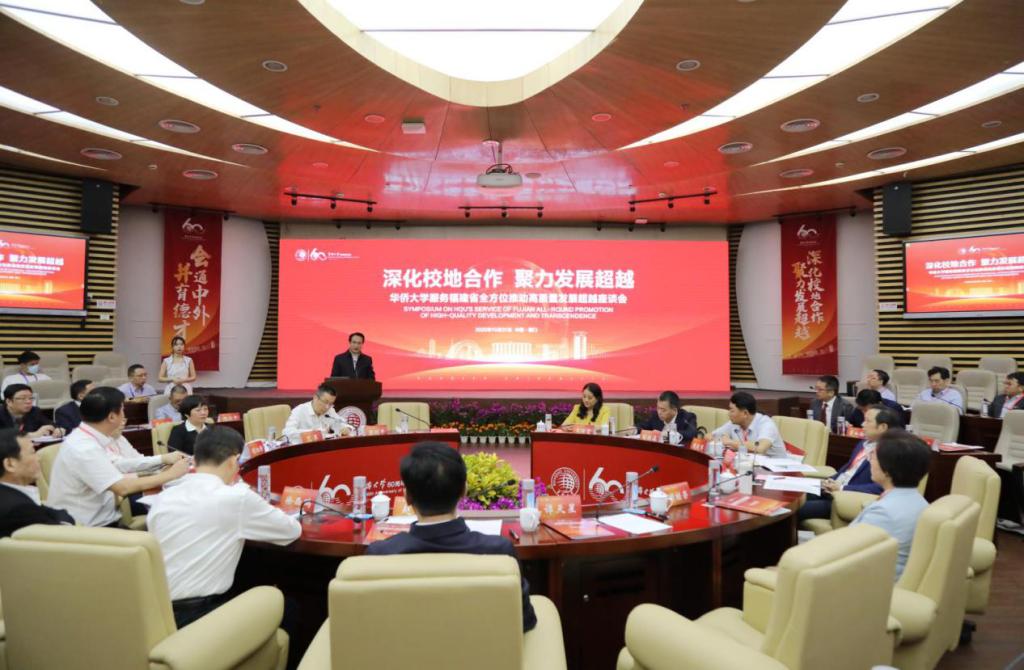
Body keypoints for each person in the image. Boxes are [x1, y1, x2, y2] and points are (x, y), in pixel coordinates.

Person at [365, 441, 537, 631]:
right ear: (464, 490)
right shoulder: (499, 551)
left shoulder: (380, 554)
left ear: (407, 497)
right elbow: (524, 621)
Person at [148, 426, 301, 628]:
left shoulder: (163, 498)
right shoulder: (237, 497)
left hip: (156, 612)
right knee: (289, 607)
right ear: (233, 461)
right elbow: (291, 531)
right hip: (199, 616)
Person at [47, 387, 189, 527]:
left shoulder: (89, 437)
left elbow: (118, 464)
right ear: (112, 417)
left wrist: (161, 462)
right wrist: (171, 474)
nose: (124, 416)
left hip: (107, 515)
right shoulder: (84, 447)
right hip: (90, 528)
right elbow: (122, 488)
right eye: (122, 410)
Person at [850, 429, 931, 580]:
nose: (869, 461)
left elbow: (848, 551)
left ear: (887, 470)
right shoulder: (920, 502)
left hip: (870, 584)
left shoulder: (883, 512)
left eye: (873, 457)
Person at [799, 406, 904, 521]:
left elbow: (880, 487)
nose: (862, 424)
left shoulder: (891, 452)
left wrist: (842, 488)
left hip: (845, 499)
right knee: (795, 496)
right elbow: (848, 468)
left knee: (796, 510)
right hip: (831, 489)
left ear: (883, 427)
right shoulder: (863, 443)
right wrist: (830, 480)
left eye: (868, 421)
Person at [0, 428, 74, 537]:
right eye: (33, 452)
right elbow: (60, 532)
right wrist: (65, 518)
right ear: (10, 464)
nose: (38, 458)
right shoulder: (20, 510)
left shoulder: (12, 497)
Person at [710, 391, 787, 458]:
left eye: (732, 411)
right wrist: (720, 439)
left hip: (776, 467)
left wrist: (730, 442)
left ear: (745, 413)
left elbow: (760, 448)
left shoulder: (766, 424)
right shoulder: (734, 423)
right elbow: (709, 436)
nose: (729, 414)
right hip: (750, 465)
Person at [283, 384, 352, 442]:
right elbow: (287, 432)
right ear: (315, 398)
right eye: (325, 402)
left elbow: (339, 423)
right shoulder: (300, 410)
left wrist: (347, 428)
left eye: (331, 404)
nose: (327, 407)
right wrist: (313, 432)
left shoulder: (330, 411)